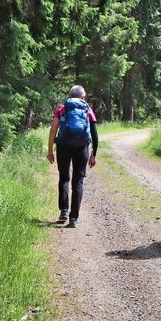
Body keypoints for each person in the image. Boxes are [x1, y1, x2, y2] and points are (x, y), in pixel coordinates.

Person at [47, 85, 98, 228]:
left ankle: (64, 211)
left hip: (63, 146)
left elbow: (53, 129)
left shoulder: (61, 108)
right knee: (78, 182)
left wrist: (50, 150)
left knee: (64, 178)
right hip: (82, 148)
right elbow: (94, 134)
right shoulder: (87, 109)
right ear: (83, 97)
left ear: (70, 96)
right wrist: (93, 154)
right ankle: (74, 218)